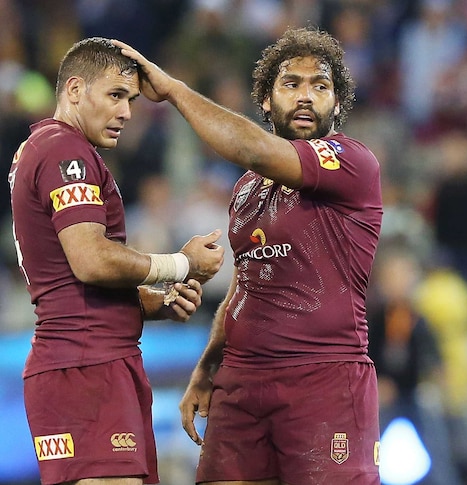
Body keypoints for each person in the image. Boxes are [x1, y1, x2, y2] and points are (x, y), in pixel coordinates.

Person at [113, 26, 384, 485]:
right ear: (265, 100)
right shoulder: (246, 190)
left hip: (322, 377)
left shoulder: (351, 162)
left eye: (320, 86)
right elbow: (247, 282)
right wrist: (210, 364)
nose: (306, 96)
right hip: (242, 381)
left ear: (337, 104)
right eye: (290, 84)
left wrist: (176, 91)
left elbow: (253, 149)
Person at [7, 37, 225, 485]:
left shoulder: (46, 147)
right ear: (73, 90)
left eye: (130, 99)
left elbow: (71, 287)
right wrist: (180, 265)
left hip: (84, 361)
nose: (126, 112)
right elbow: (89, 260)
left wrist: (152, 302)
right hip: (86, 367)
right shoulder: (64, 150)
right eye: (115, 95)